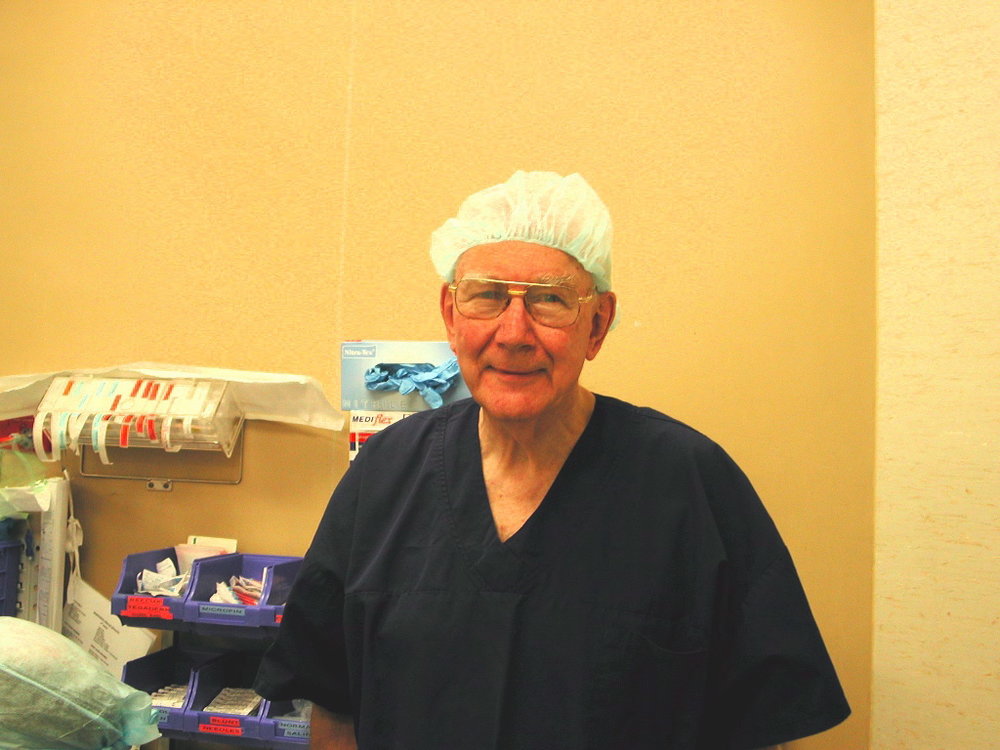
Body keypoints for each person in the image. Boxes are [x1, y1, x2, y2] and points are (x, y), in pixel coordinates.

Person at [254, 171, 851, 749]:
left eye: (550, 301)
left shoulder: (690, 484)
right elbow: (333, 705)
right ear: (451, 316)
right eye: (486, 296)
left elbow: (757, 724)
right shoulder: (384, 475)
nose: (514, 332)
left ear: (599, 323)